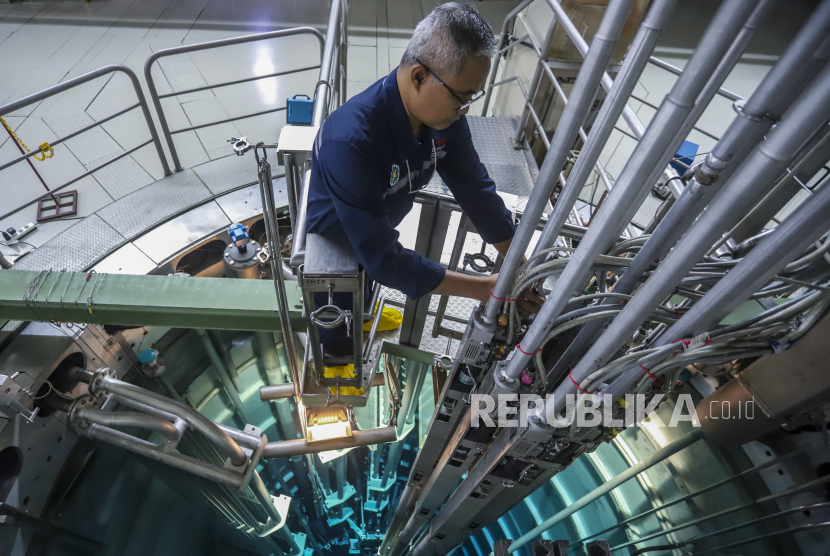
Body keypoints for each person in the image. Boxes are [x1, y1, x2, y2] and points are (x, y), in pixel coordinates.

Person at [306, 2, 543, 356]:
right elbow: (385, 260)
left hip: (378, 227)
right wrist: (486, 289)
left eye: (472, 98)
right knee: (337, 328)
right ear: (419, 76)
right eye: (462, 97)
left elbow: (472, 186)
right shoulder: (352, 142)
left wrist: (517, 263)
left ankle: (365, 314)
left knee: (368, 289)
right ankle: (339, 358)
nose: (465, 110)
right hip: (338, 243)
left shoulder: (442, 119)